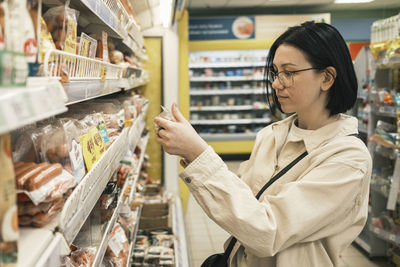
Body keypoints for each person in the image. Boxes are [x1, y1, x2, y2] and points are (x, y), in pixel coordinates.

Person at [154, 21, 372, 267]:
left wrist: (198, 152)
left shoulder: (348, 158)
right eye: (275, 72)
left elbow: (269, 230)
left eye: (289, 73)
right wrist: (194, 155)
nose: (277, 84)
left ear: (327, 77)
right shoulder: (271, 135)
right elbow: (241, 206)